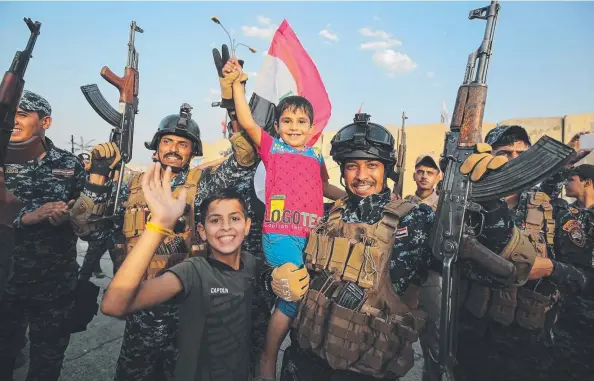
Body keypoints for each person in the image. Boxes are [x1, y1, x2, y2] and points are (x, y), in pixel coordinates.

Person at [278, 113, 541, 381]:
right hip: (304, 361)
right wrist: (275, 280)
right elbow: (288, 266)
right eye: (352, 166)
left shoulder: (416, 220)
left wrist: (492, 204)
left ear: (386, 169)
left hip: (364, 369)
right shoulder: (326, 214)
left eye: (372, 165)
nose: (361, 176)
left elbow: (504, 271)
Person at [70, 103, 257, 381]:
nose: (173, 148)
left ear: (193, 152)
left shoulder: (205, 184)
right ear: (156, 147)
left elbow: (244, 159)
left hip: (189, 309)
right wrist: (97, 177)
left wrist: (234, 109)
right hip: (140, 306)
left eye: (183, 144)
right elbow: (87, 228)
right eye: (167, 141)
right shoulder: (130, 185)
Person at [228, 57, 346, 380]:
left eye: (301, 121)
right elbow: (248, 121)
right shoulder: (272, 149)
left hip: (313, 236)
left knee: (310, 297)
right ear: (278, 125)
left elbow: (324, 186)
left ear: (311, 127)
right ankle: (268, 357)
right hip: (281, 235)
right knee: (292, 294)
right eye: (287, 120)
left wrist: (348, 197)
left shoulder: (316, 156)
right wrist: (238, 85)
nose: (294, 126)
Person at [446, 125, 592, 381]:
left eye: (520, 154)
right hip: (470, 341)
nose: (513, 160)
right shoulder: (462, 209)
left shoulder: (555, 211)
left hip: (529, 347)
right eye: (504, 153)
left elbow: (584, 278)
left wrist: (551, 268)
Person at [101, 163, 262, 381]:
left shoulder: (252, 265)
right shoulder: (193, 271)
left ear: (247, 225)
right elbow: (114, 304)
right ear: (202, 232)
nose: (226, 227)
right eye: (215, 220)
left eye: (234, 218)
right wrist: (159, 225)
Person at [0, 90, 86, 381]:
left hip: (54, 287)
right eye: (10, 114)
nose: (12, 121)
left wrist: (73, 216)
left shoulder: (71, 165)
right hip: (5, 286)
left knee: (46, 367)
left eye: (22, 115)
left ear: (45, 121)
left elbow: (86, 216)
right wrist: (27, 217)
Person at [548, 164, 594, 380]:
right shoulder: (566, 212)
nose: (566, 183)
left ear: (588, 182)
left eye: (571, 179)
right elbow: (546, 193)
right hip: (565, 303)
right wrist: (562, 166)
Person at [403, 152, 441, 381]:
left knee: (434, 341)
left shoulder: (446, 205)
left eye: (430, 172)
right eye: (421, 171)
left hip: (432, 280)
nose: (425, 176)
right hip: (405, 278)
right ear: (414, 175)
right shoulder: (404, 203)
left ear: (438, 176)